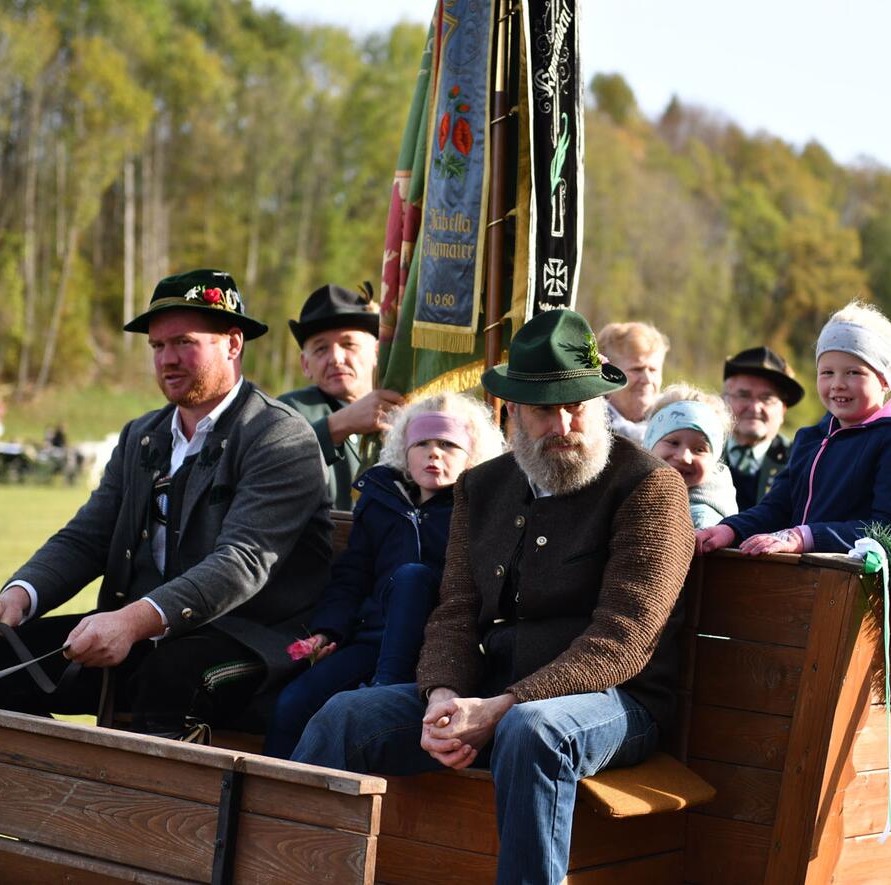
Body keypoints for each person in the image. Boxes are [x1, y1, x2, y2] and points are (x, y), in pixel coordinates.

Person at [291, 308, 694, 884]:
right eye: (542, 410)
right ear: (512, 414)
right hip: (489, 693)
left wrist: (501, 707)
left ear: (599, 404)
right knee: (345, 715)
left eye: (575, 405)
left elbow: (623, 639)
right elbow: (455, 609)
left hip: (617, 703)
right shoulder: (482, 486)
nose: (562, 425)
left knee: (533, 732)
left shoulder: (650, 486)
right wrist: (442, 696)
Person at [0, 269, 332, 737]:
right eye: (157, 347)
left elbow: (241, 562)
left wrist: (133, 621)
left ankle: (141, 812)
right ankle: (63, 799)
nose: (168, 360)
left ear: (233, 343)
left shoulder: (279, 435)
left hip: (252, 636)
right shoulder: (142, 436)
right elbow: (86, 537)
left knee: (169, 677)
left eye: (184, 342)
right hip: (144, 631)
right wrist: (18, 598)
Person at [263, 392, 505, 758]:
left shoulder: (477, 508)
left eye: (448, 444)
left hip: (436, 645)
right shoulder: (382, 498)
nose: (433, 453)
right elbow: (353, 574)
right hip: (373, 635)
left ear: (472, 454)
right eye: (422, 443)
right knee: (294, 702)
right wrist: (328, 630)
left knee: (413, 576)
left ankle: (383, 690)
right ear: (404, 450)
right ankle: (272, 796)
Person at [697, 301, 891, 557]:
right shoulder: (811, 438)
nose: (838, 384)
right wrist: (730, 529)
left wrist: (805, 536)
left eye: (854, 373)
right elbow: (777, 507)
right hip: (803, 582)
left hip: (858, 588)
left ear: (884, 380)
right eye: (827, 372)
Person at [280, 283, 406, 510]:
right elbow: (272, 467)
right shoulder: (286, 412)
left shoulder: (405, 409)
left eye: (348, 344)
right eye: (320, 349)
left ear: (377, 352)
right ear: (305, 365)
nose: (336, 358)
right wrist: (339, 425)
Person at [644, 383, 738, 528]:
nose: (684, 457)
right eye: (673, 443)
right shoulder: (630, 489)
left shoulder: (703, 520)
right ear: (649, 444)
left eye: (699, 449)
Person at [721, 346, 804, 510]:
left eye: (766, 398)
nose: (755, 407)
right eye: (743, 395)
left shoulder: (798, 463)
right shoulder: (700, 452)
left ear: (783, 410)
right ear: (723, 401)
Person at [595, 320, 668, 444]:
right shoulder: (589, 423)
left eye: (653, 370)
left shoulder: (673, 421)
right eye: (637, 369)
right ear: (607, 374)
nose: (648, 379)